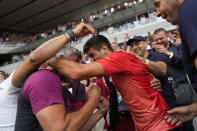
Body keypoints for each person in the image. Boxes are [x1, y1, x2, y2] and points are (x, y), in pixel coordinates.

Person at [54, 35, 177, 131]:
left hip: (160, 124)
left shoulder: (118, 58)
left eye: (93, 55)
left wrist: (49, 59)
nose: (92, 61)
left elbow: (77, 72)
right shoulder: (115, 67)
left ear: (104, 49)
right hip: (145, 125)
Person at [0, 22, 95, 131]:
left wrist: (99, 110)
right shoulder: (41, 79)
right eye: (76, 60)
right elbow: (34, 59)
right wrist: (71, 34)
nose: (80, 64)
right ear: (61, 58)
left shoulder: (63, 92)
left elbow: (73, 127)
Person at [153, 0, 197, 126]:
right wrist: (194, 109)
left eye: (158, 4)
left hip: (184, 93)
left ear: (167, 36)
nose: (157, 13)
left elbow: (182, 59)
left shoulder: (188, 11)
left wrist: (168, 54)